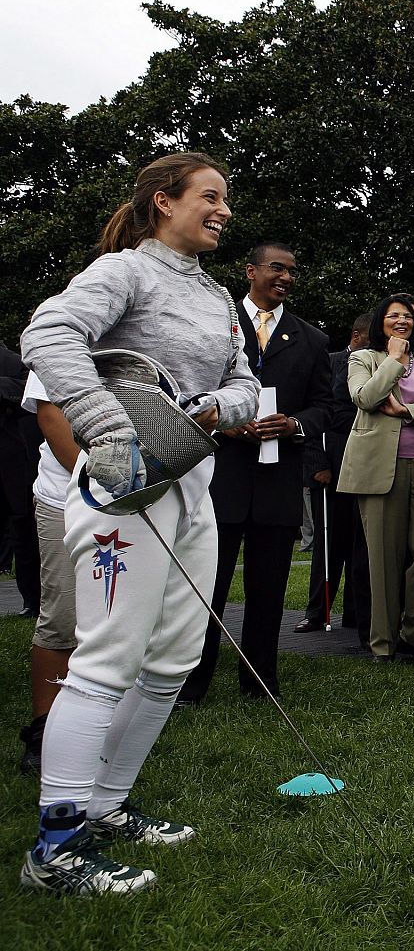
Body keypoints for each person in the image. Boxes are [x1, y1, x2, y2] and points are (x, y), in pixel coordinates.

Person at [19, 151, 258, 894]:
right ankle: (52, 853)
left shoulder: (218, 294)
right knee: (104, 664)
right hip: (124, 493)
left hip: (191, 483)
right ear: (163, 200)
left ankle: (105, 805)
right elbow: (48, 333)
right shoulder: (125, 271)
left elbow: (243, 377)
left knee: (171, 663)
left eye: (226, 200)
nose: (223, 210)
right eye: (209, 196)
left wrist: (224, 406)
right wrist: (104, 429)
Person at [182, 243, 333, 704]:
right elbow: (189, 389)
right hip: (220, 475)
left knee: (268, 589)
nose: (286, 277)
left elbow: (326, 407)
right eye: (276, 268)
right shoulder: (215, 328)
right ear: (250, 271)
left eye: (292, 270)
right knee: (208, 584)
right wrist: (225, 423)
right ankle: (191, 682)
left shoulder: (311, 339)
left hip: (278, 478)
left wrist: (294, 424)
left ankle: (260, 681)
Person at [341, 296, 414, 663]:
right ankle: (383, 642)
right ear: (381, 322)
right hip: (380, 468)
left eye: (408, 316)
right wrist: (394, 359)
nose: (401, 321)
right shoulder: (363, 358)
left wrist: (408, 411)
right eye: (394, 315)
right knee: (383, 558)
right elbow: (365, 397)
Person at [15, 377, 80, 775]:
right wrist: (111, 481)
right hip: (69, 496)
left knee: (124, 623)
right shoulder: (64, 325)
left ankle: (104, 726)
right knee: (63, 616)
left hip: (144, 497)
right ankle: (44, 732)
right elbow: (51, 414)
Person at [296, 312, 371, 639]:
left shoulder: (378, 365)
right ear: (356, 337)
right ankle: (317, 612)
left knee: (361, 541)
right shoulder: (329, 362)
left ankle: (356, 613)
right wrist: (317, 465)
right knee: (328, 543)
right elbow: (313, 416)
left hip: (364, 461)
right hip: (330, 459)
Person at [0, 342, 42, 618]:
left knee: (24, 530)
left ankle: (34, 601)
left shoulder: (17, 362)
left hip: (19, 463)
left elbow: (32, 392)